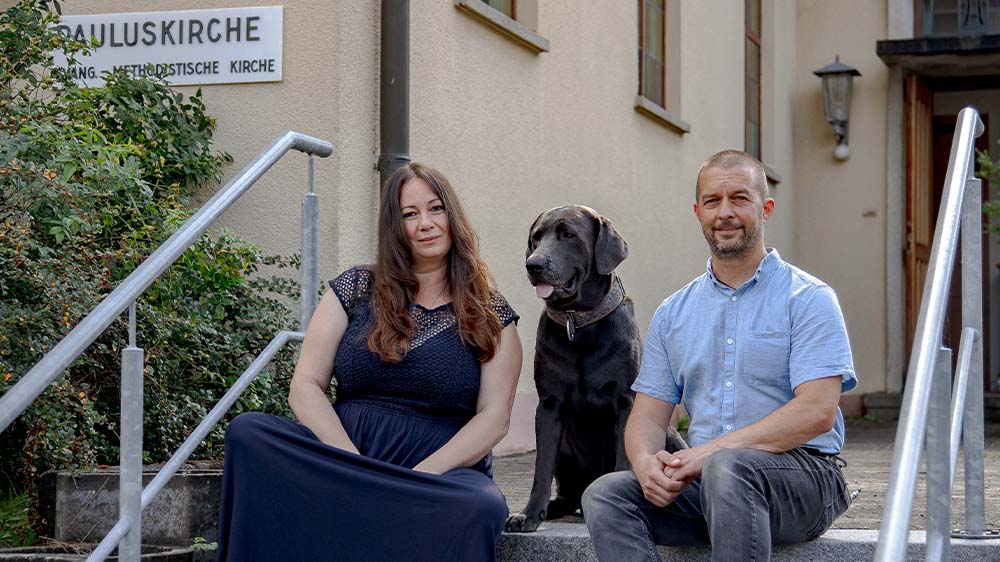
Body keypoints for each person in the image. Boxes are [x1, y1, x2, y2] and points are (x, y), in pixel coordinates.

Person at [215, 162, 523, 562]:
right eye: (410, 215)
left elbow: (494, 418)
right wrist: (350, 463)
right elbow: (305, 385)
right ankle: (363, 498)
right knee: (249, 432)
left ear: (453, 216)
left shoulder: (491, 313)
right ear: (396, 228)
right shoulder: (356, 287)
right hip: (345, 454)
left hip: (437, 469)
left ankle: (378, 501)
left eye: (435, 209)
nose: (426, 223)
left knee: (480, 505)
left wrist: (421, 477)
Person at [582, 150, 856, 562]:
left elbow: (816, 411)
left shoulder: (809, 299)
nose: (725, 212)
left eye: (739, 199)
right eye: (713, 201)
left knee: (728, 469)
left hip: (803, 477)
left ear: (766, 208)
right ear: (698, 212)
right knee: (605, 494)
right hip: (710, 483)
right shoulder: (674, 312)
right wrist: (645, 463)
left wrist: (707, 454)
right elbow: (648, 417)